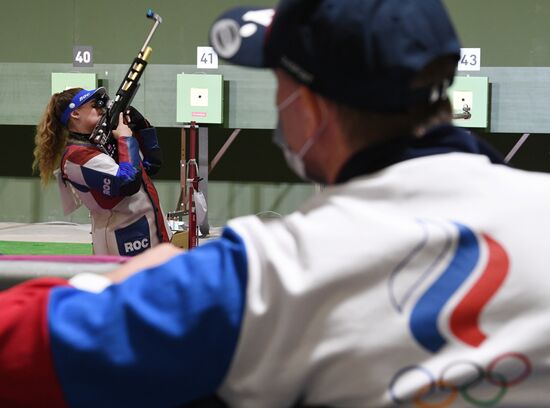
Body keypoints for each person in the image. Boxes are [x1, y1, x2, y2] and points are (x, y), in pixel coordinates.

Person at [2, 0, 550, 406]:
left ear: (311, 107)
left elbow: (26, 345)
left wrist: (130, 282)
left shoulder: (265, 274)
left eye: (281, 85)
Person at [33, 87, 172, 256]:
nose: (101, 107)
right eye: (93, 105)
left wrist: (142, 126)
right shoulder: (77, 157)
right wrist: (125, 139)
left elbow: (153, 165)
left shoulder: (105, 141)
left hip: (153, 232)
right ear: (75, 113)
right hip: (125, 241)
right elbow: (128, 183)